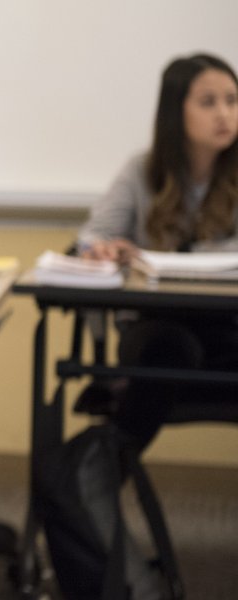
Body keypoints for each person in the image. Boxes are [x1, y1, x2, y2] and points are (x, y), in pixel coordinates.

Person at [78, 52, 238, 451]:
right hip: (157, 332)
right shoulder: (141, 172)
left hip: (225, 329)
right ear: (174, 111)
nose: (224, 114)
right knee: (169, 349)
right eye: (208, 102)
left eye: (232, 101)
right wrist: (103, 250)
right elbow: (91, 237)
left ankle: (93, 471)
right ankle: (100, 477)